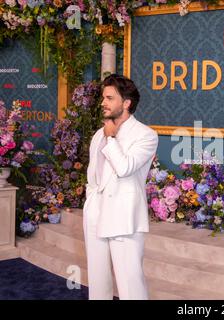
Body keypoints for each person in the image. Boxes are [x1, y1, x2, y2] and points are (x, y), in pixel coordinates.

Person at [83, 74, 158, 300]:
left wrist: (111, 139)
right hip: (96, 212)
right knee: (97, 281)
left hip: (124, 216)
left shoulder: (146, 135)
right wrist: (90, 203)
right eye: (103, 98)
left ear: (126, 103)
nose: (103, 103)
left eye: (109, 98)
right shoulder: (99, 134)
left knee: (130, 283)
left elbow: (125, 167)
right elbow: (94, 175)